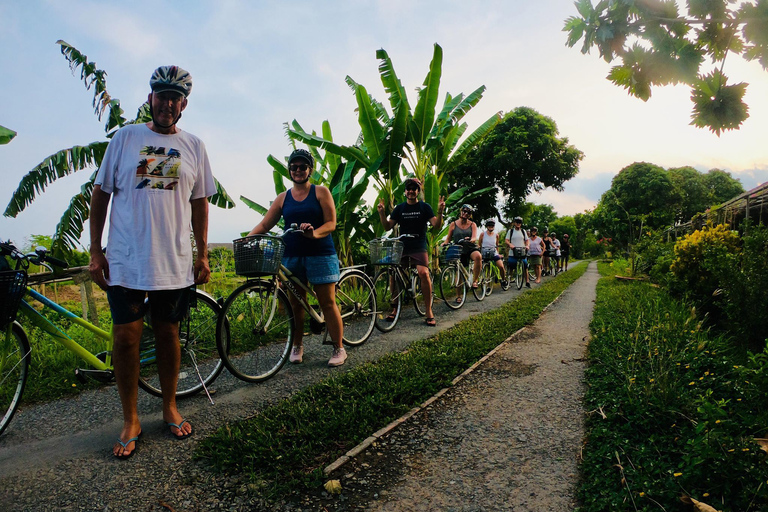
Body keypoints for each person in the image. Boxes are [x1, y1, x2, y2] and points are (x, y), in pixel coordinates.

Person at [89, 66, 215, 459]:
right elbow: (100, 194)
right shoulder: (126, 138)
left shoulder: (194, 145)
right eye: (161, 94)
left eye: (175, 97)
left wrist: (203, 253)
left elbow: (200, 203)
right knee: (125, 339)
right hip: (127, 259)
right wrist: (96, 251)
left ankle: (169, 406)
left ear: (184, 105)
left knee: (168, 335)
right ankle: (131, 418)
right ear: (150, 99)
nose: (167, 102)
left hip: (173, 261)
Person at [248, 149, 346, 368]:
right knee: (295, 305)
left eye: (303, 166)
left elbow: (331, 223)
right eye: (294, 167)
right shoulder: (283, 198)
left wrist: (314, 233)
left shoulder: (321, 192)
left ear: (310, 169)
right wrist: (247, 239)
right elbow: (265, 225)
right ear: (289, 170)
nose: (298, 170)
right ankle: (297, 345)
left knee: (327, 302)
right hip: (292, 256)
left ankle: (339, 347)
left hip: (320, 254)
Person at [378, 178, 445, 326]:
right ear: (405, 192)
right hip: (402, 245)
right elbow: (388, 227)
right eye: (409, 188)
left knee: (423, 273)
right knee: (394, 273)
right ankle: (395, 308)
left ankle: (428, 310)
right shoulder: (400, 208)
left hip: (419, 244)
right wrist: (382, 213)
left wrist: (440, 213)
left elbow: (436, 225)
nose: (411, 191)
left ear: (418, 191)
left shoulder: (424, 207)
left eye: (414, 189)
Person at [443, 204, 482, 290]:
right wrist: (444, 243)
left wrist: (472, 239)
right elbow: (448, 238)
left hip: (469, 247)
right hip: (458, 249)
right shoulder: (453, 224)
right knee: (458, 271)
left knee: (478, 256)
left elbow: (474, 236)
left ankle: (475, 280)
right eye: (464, 211)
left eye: (468, 212)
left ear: (470, 215)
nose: (465, 213)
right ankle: (458, 296)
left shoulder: (472, 224)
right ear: (461, 211)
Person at [478, 219, 506, 287]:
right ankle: (487, 286)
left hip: (494, 252)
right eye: (489, 225)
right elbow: (479, 244)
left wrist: (498, 253)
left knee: (501, 266)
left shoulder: (496, 235)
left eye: (492, 225)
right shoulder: (482, 234)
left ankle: (503, 280)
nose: (491, 227)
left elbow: (496, 245)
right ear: (487, 226)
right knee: (485, 270)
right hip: (484, 253)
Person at [505, 216, 531, 288]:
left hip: (522, 251)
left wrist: (527, 245)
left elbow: (527, 240)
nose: (518, 224)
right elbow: (506, 240)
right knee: (511, 265)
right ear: (514, 223)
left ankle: (527, 282)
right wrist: (510, 244)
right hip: (513, 251)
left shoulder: (523, 231)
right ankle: (508, 281)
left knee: (525, 265)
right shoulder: (511, 231)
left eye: (519, 222)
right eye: (517, 222)